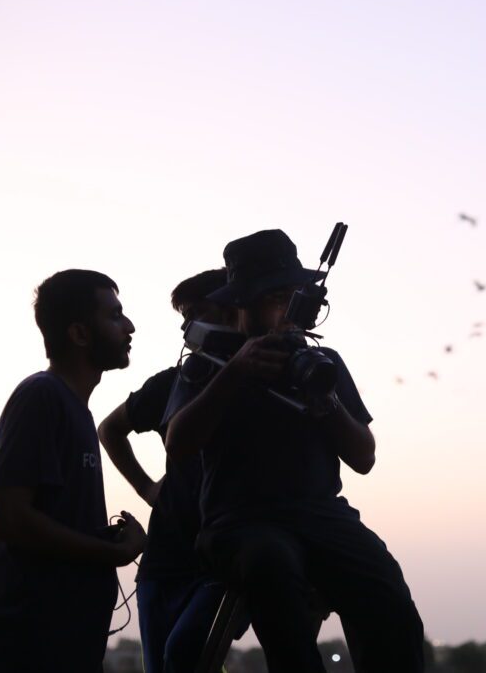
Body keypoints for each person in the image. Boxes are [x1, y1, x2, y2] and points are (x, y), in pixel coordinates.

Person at [166, 230, 426, 673]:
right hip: (240, 519)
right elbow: (178, 444)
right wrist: (235, 373)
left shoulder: (323, 362)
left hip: (320, 514)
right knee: (271, 565)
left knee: (385, 590)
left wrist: (326, 402)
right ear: (243, 302)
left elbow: (363, 457)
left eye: (293, 296)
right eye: (275, 296)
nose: (287, 308)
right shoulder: (205, 365)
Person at [0, 269, 147, 673]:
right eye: (115, 316)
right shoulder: (41, 397)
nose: (129, 326)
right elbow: (8, 519)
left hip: (64, 646)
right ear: (80, 334)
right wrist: (113, 551)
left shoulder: (75, 410)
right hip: (26, 650)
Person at [98, 268, 237, 673]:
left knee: (187, 656)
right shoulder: (174, 383)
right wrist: (146, 489)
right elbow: (110, 430)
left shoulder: (261, 381)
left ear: (232, 312)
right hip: (163, 561)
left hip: (222, 564)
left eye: (197, 313)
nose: (188, 327)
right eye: (183, 318)